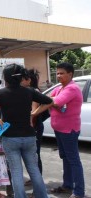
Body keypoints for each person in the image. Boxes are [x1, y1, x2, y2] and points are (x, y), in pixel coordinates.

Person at [0, 64, 53, 198]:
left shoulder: (1, 93)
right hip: (29, 136)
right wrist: (33, 114)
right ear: (20, 77)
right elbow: (49, 101)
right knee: (34, 170)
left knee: (16, 171)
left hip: (10, 137)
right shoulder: (29, 91)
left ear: (5, 77)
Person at [42, 63, 84, 198]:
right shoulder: (60, 88)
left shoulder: (72, 88)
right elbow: (48, 98)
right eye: (57, 73)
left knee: (73, 160)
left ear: (70, 74)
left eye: (61, 73)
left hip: (68, 130)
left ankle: (79, 192)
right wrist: (51, 100)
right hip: (60, 130)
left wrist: (52, 100)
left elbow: (56, 102)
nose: (58, 75)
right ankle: (67, 185)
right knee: (65, 158)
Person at [21, 69, 46, 187]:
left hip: (34, 126)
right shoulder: (33, 91)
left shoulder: (33, 92)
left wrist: (30, 123)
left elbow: (34, 111)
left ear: (28, 80)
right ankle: (35, 179)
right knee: (33, 154)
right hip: (35, 126)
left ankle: (37, 180)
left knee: (35, 154)